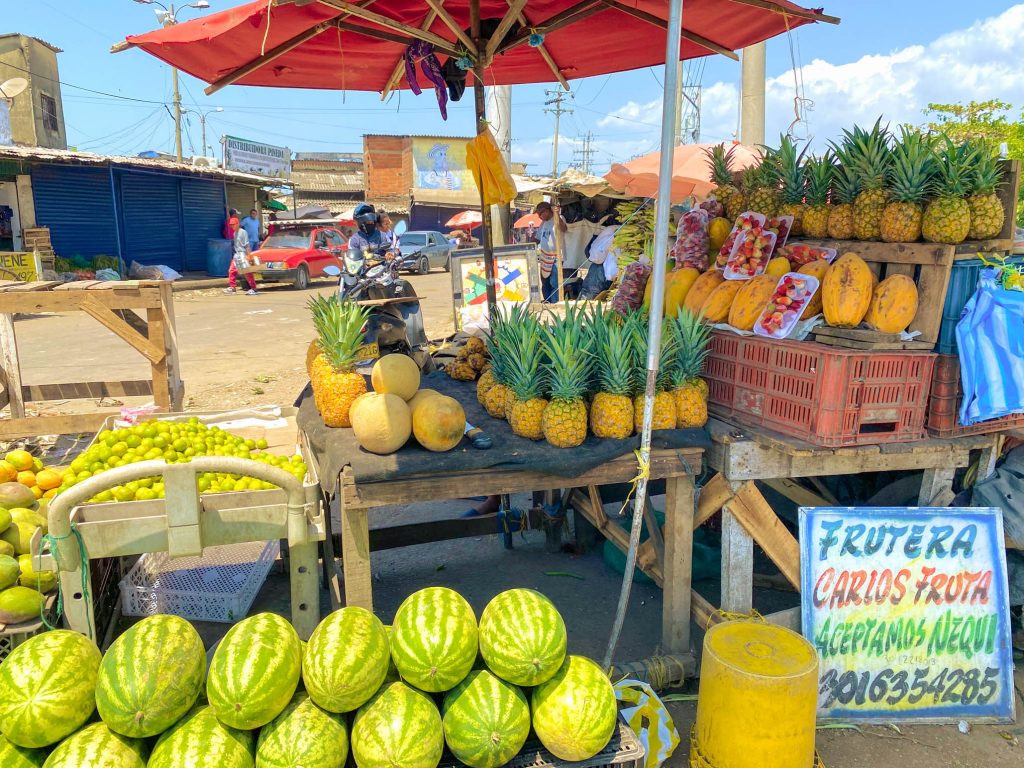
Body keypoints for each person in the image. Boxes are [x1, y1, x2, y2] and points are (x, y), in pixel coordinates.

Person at [535, 201, 566, 302]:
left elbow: (564, 229)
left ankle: (555, 303)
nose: (539, 216)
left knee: (555, 283)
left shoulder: (558, 219)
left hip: (556, 258)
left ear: (548, 211)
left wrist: (556, 213)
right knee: (545, 283)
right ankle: (547, 302)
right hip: (544, 257)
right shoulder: (543, 223)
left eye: (540, 213)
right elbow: (538, 238)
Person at [225, 225, 258, 295]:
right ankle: (232, 287)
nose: (232, 226)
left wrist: (249, 255)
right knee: (231, 270)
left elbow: (247, 245)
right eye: (231, 225)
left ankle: (253, 288)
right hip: (237, 255)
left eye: (233, 225)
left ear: (237, 224)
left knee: (247, 272)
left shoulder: (243, 232)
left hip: (243, 254)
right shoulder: (234, 233)